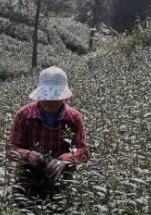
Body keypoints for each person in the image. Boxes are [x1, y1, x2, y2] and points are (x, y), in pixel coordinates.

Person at [6, 66, 90, 201]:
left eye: (55, 97)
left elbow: (83, 151)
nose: (50, 102)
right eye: (46, 97)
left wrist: (64, 161)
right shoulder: (24, 115)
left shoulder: (73, 118)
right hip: (28, 182)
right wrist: (28, 155)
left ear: (63, 97)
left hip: (61, 181)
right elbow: (11, 149)